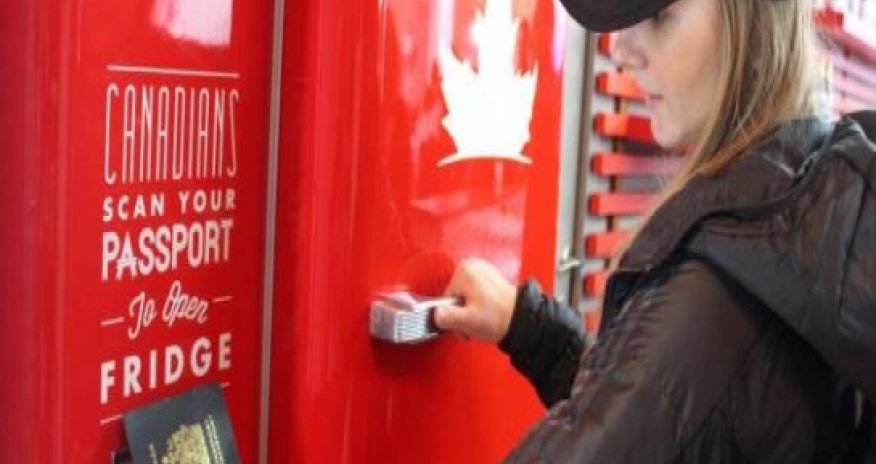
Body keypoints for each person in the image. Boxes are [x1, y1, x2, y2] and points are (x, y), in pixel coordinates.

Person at [434, 0, 876, 461]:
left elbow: (677, 390)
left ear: (752, 21)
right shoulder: (808, 197)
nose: (622, 50)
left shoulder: (712, 302)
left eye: (660, 17)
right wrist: (535, 333)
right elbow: (687, 419)